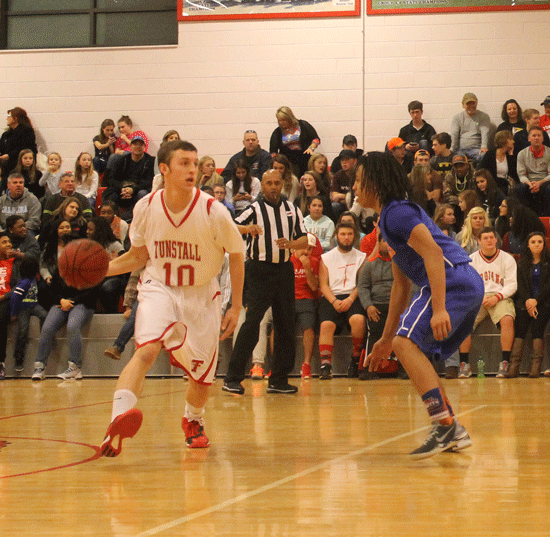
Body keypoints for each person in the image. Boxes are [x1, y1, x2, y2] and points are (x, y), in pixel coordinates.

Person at [98, 140, 244, 456]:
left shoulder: (213, 210)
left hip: (202, 295)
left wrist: (235, 305)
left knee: (202, 377)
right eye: (184, 163)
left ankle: (193, 419)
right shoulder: (145, 207)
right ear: (164, 169)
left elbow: (236, 253)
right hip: (158, 285)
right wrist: (103, 270)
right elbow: (138, 256)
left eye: (195, 163)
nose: (193, 169)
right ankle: (116, 421)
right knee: (147, 350)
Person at [353, 151, 484, 458]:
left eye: (358, 180)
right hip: (462, 281)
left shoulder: (397, 213)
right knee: (408, 346)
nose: (355, 187)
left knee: (406, 343)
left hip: (451, 280)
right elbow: (400, 285)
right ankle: (450, 425)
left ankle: (444, 426)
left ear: (374, 181)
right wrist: (386, 338)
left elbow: (434, 254)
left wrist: (438, 308)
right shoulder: (389, 219)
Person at [222, 168, 308, 396]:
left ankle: (279, 380)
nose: (272, 187)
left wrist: (290, 244)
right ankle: (232, 378)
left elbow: (304, 239)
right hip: (259, 270)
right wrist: (248, 229)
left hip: (285, 269)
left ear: (282, 185)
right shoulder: (255, 208)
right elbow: (230, 227)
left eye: (276, 183)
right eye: (268, 183)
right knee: (252, 324)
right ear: (262, 186)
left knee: (286, 326)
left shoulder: (292, 209)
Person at [458, 227, 517, 379]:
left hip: (500, 296)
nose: (489, 240)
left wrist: (497, 297)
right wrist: (479, 296)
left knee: (507, 319)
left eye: (491, 237)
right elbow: (467, 285)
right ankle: (464, 365)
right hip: (478, 297)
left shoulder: (507, 258)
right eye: (485, 238)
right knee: (463, 321)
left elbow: (512, 285)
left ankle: (504, 362)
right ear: (479, 241)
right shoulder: (471, 259)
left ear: (496, 240)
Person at [318, 222, 366, 379]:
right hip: (332, 297)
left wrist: (350, 299)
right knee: (326, 325)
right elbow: (323, 285)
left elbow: (361, 284)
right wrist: (334, 301)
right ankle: (325, 365)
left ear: (355, 237)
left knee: (358, 320)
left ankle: (355, 360)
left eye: (350, 234)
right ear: (336, 236)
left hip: (353, 296)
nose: (346, 238)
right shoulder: (326, 257)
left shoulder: (361, 257)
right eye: (343, 234)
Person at [507, 232, 550, 378]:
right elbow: (520, 285)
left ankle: (535, 368)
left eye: (539, 242)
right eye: (533, 242)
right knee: (520, 329)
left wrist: (536, 301)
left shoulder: (548, 262)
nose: (537, 244)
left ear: (544, 244)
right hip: (524, 303)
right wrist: (529, 301)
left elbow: (548, 287)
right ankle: (513, 367)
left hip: (544, 303)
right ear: (528, 244)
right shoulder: (521, 263)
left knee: (538, 329)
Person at [357, 234, 394, 380]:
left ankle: (405, 369)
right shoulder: (370, 263)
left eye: (390, 241)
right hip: (376, 306)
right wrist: (368, 306)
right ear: (378, 243)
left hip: (396, 306)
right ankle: (368, 369)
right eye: (385, 241)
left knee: (402, 336)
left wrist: (405, 306)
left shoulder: (402, 263)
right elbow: (363, 287)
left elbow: (409, 286)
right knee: (374, 332)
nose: (388, 244)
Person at [103, 135, 155, 220]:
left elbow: (149, 181)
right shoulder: (122, 160)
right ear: (130, 146)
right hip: (122, 191)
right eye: (135, 144)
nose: (138, 147)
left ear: (144, 147)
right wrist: (122, 188)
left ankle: (134, 216)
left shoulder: (150, 161)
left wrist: (133, 189)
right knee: (109, 193)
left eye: (140, 145)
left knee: (143, 193)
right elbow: (111, 179)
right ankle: (110, 218)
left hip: (138, 191)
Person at [9, 256, 47, 373]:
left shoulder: (34, 279)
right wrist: (13, 313)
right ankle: (19, 358)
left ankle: (46, 337)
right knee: (23, 331)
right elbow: (15, 297)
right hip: (23, 308)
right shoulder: (24, 282)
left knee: (45, 316)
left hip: (34, 305)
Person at [291, 233, 320, 380]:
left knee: (308, 327)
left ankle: (306, 364)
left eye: (309, 249)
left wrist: (307, 269)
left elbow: (314, 287)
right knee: (277, 327)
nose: (306, 252)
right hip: (288, 297)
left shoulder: (314, 261)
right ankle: (275, 364)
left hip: (306, 298)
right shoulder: (287, 260)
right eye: (304, 248)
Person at [86, 217, 125, 313]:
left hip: (112, 277)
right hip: (94, 277)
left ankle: (112, 313)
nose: (87, 232)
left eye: (90, 230)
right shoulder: (87, 246)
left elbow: (124, 267)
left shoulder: (115, 245)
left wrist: (116, 260)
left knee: (107, 287)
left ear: (99, 231)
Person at [270, 106, 320, 177]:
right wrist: (277, 163)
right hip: (288, 163)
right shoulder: (277, 132)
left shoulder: (303, 125)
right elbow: (273, 151)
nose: (281, 123)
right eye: (279, 120)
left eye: (283, 120)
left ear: (289, 118)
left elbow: (316, 139)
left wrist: (311, 148)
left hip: (304, 158)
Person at [104, 269, 142, 361]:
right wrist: (128, 307)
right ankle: (117, 347)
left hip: (164, 297)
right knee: (135, 314)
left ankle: (119, 347)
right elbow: (132, 285)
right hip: (144, 295)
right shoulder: (141, 263)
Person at [514, 126, 550, 216]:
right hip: (529, 181)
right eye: (534, 135)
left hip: (545, 181)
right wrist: (530, 184)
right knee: (519, 188)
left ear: (542, 138)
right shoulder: (522, 154)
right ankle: (525, 216)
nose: (536, 138)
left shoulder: (549, 152)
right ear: (529, 138)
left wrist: (540, 183)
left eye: (539, 135)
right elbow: (521, 175)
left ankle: (546, 218)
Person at [0, 107, 37, 191]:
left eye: (9, 115)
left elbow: (25, 148)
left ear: (15, 118)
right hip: (6, 168)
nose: (7, 118)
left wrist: (9, 155)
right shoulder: (6, 134)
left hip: (20, 167)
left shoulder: (26, 131)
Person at [450, 92, 491, 165]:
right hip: (460, 150)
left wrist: (484, 146)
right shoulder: (457, 118)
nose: (471, 106)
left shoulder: (484, 117)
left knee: (484, 155)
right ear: (463, 105)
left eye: (473, 103)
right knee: (451, 157)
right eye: (468, 103)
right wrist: (452, 150)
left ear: (476, 103)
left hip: (477, 149)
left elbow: (485, 132)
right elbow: (454, 134)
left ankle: (477, 175)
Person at [477, 130, 519, 195]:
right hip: (492, 185)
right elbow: (481, 170)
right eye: (510, 139)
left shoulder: (510, 156)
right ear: (504, 140)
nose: (513, 141)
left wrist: (511, 155)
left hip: (505, 185)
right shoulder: (490, 154)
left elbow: (514, 175)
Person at [0, 231, 17, 379]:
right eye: (4, 242)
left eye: (9, 242)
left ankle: (0, 363)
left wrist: (4, 296)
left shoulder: (14, 262)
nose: (9, 244)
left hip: (5, 300)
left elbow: (19, 286)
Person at [330, 150, 357, 218]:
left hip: (358, 204)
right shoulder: (338, 175)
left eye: (347, 159)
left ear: (354, 161)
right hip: (342, 205)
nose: (344, 162)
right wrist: (348, 198)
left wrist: (342, 197)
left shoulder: (359, 174)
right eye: (342, 160)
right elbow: (334, 197)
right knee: (334, 206)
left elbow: (359, 197)